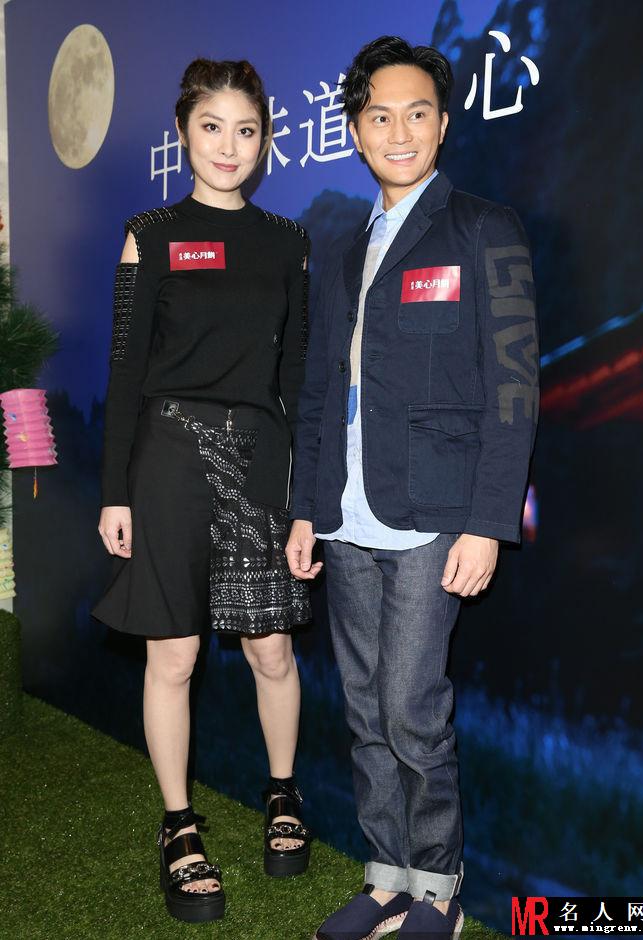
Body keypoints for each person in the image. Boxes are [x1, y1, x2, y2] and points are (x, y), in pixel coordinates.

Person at [286, 36, 539, 940]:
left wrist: (487, 522)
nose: (399, 131)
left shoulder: (483, 227)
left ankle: (438, 889)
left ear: (441, 124)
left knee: (410, 709)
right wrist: (305, 510)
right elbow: (319, 390)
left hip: (438, 515)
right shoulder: (342, 247)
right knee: (363, 710)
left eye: (417, 113)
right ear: (355, 132)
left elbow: (514, 387)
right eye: (380, 116)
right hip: (346, 512)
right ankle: (386, 877)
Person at [93, 58, 313, 924]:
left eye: (246, 130)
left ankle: (283, 794)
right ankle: (178, 827)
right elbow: (123, 372)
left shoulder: (288, 242)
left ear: (265, 141)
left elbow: (296, 380)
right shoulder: (149, 233)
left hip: (260, 460)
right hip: (168, 459)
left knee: (271, 650)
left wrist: (305, 499)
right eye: (211, 127)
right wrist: (115, 492)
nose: (229, 146)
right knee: (174, 656)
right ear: (183, 132)